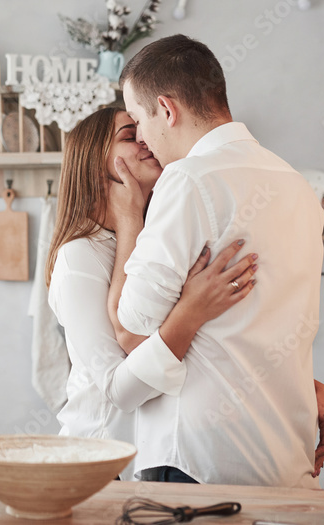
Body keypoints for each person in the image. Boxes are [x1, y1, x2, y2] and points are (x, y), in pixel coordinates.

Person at [115, 34, 324, 487]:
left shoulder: (188, 180)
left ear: (167, 110)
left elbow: (133, 320)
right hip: (285, 455)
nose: (144, 140)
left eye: (138, 120)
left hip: (197, 459)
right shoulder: (298, 186)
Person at [46, 108, 259, 467]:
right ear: (93, 163)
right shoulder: (78, 256)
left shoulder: (157, 240)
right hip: (98, 462)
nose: (145, 140)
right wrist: (190, 313)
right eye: (130, 136)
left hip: (154, 457)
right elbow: (119, 391)